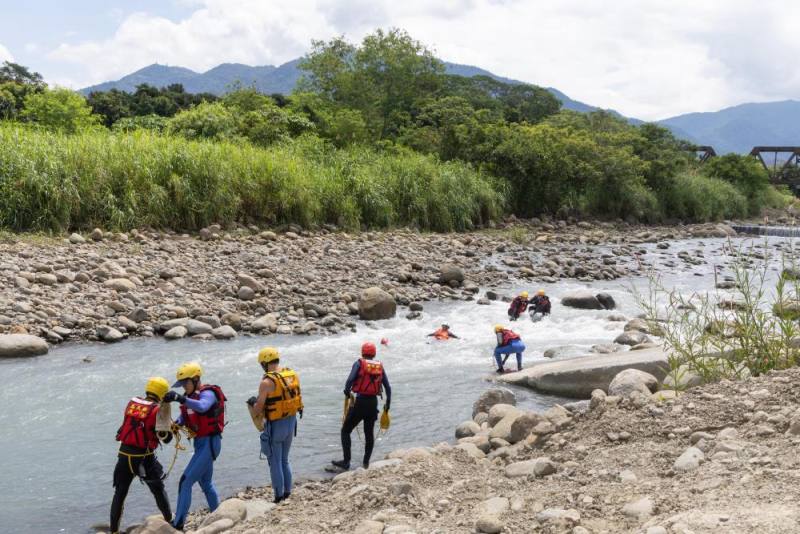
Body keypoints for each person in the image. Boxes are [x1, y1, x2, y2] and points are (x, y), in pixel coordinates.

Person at [163, 362, 226, 531]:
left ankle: (178, 524)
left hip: (210, 444)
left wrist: (179, 398)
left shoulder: (208, 393)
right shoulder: (189, 398)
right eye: (181, 384)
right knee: (205, 483)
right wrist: (174, 426)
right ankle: (218, 514)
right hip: (201, 445)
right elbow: (184, 417)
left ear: (196, 379)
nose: (183, 386)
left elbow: (203, 407)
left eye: (186, 382)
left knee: (185, 481)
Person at [110, 377, 173, 534]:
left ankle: (114, 531)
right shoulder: (159, 410)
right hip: (144, 457)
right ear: (162, 393)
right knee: (158, 489)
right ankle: (171, 522)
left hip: (124, 454)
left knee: (120, 493)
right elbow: (166, 438)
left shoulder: (132, 402)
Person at [247, 347, 303, 504]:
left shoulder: (266, 382)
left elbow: (258, 409)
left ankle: (278, 496)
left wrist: (254, 403)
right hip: (291, 422)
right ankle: (287, 492)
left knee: (275, 462)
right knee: (285, 460)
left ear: (265, 363)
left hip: (276, 426)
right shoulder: (291, 375)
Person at [331, 342, 392, 470]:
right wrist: (387, 406)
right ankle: (365, 463)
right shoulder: (379, 366)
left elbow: (350, 380)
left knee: (345, 431)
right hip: (373, 404)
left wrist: (347, 392)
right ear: (374, 353)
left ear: (362, 353)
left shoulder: (359, 363)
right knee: (369, 434)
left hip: (360, 403)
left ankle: (346, 462)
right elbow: (388, 388)